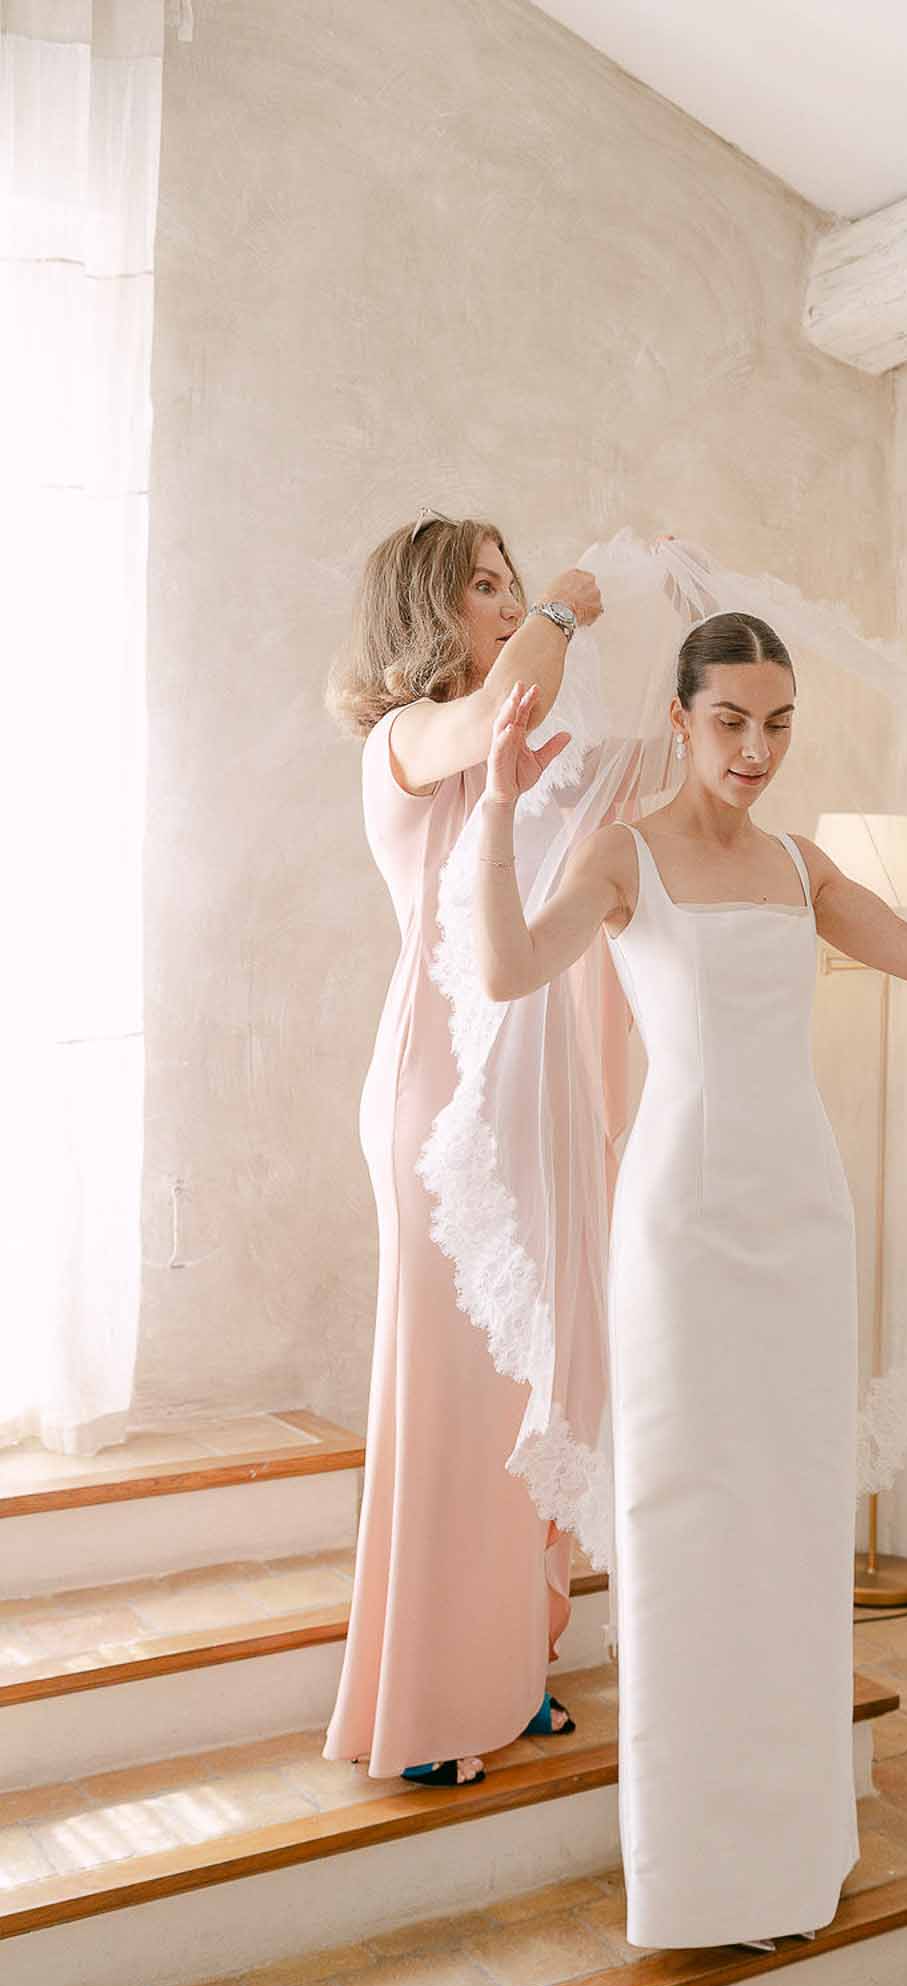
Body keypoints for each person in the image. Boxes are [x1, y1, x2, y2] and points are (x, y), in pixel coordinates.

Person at [470, 607, 907, 1949]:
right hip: (679, 1231)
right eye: (730, 721)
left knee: (789, 1523)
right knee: (685, 1521)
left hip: (803, 1223)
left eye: (776, 723)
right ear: (679, 719)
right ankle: (697, 1878)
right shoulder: (622, 859)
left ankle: (790, 1858)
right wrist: (492, 806)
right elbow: (501, 965)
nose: (756, 749)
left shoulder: (801, 867)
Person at [321, 511, 603, 1787]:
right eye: (484, 586)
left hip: (524, 1088)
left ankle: (508, 1666)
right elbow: (498, 711)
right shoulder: (404, 740)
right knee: (447, 1392)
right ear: (429, 611)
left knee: (518, 1386)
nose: (509, 600)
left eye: (516, 582)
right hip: (439, 1095)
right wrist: (572, 606)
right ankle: (430, 1704)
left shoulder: (509, 738)